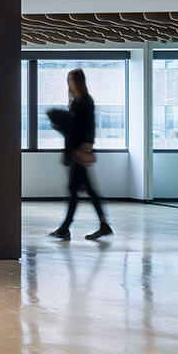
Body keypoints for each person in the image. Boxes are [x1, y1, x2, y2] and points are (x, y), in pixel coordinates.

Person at [49, 68, 113, 241]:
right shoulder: (75, 102)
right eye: (68, 80)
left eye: (72, 80)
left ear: (79, 81)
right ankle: (103, 225)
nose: (69, 83)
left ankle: (66, 227)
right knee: (87, 190)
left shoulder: (86, 101)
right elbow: (73, 128)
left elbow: (88, 126)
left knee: (75, 190)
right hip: (73, 151)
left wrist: (87, 149)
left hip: (80, 153)